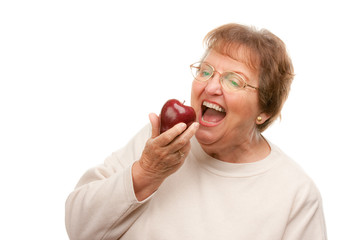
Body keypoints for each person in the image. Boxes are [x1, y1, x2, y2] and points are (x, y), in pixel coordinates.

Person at [65, 23, 327, 240]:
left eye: (233, 80)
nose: (211, 86)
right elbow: (79, 227)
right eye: (205, 71)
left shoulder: (296, 193)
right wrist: (146, 172)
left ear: (265, 110)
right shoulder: (160, 142)